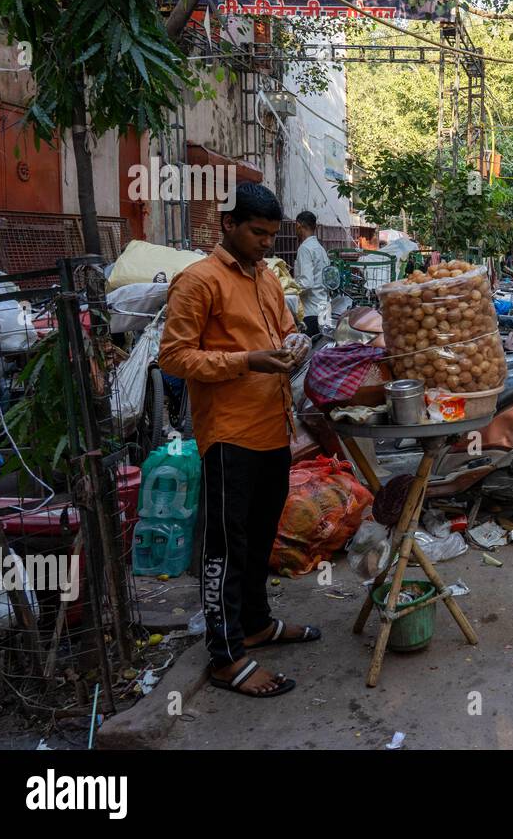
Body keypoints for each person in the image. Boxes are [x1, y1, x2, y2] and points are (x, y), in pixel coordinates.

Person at [158, 183, 320, 699]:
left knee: (260, 535)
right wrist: (244, 361)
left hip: (274, 426)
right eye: (257, 233)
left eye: (272, 235)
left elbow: (288, 329)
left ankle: (255, 623)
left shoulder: (267, 277)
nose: (266, 244)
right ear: (228, 224)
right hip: (229, 435)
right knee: (225, 548)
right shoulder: (198, 280)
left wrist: (295, 344)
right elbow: (175, 357)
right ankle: (225, 656)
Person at [292, 210, 330, 338]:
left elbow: (306, 283)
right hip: (324, 309)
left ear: (298, 225)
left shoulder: (305, 248)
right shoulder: (320, 249)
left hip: (310, 312)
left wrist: (287, 289)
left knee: (305, 352)